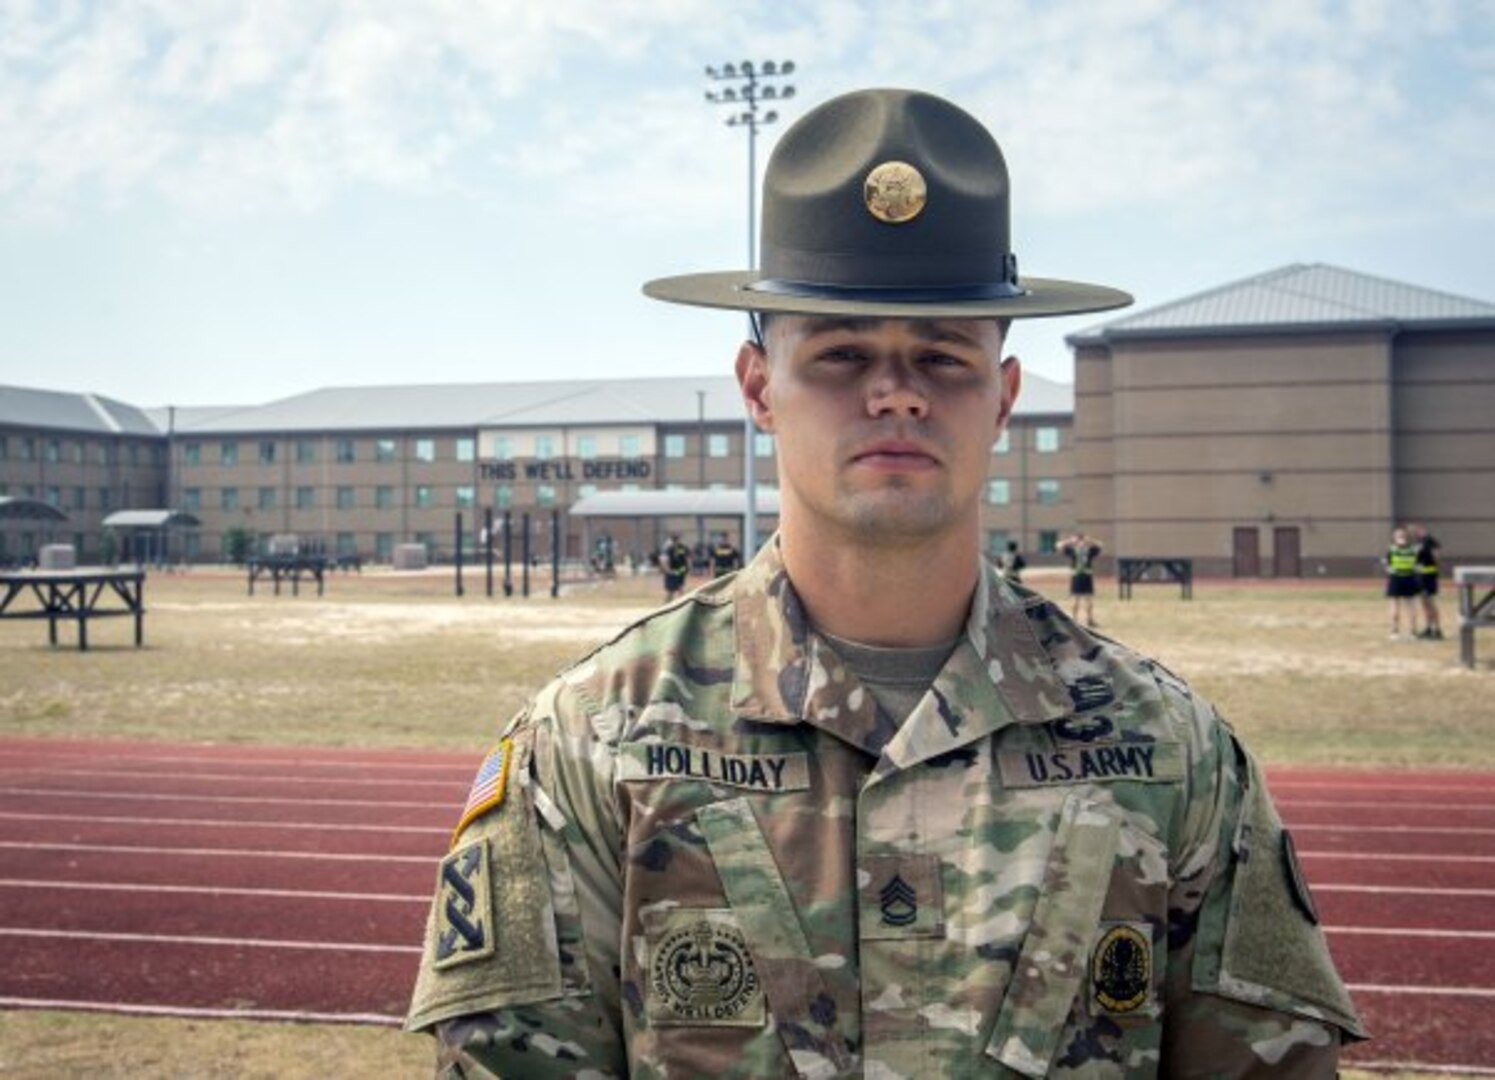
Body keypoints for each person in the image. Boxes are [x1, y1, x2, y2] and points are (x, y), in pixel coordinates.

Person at [407, 88, 1362, 1076]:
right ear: (756, 389)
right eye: (842, 353)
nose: (896, 391)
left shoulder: (1170, 752)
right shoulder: (596, 741)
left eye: (943, 357)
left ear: (1001, 398)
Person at [1059, 531, 1103, 627]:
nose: (1081, 543)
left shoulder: (1089, 551)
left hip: (1086, 576)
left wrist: (1090, 540)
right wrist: (1070, 541)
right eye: (1080, 541)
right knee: (1076, 599)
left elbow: (1100, 545)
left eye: (1082, 541)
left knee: (1088, 599)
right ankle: (1074, 620)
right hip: (1077, 576)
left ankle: (1089, 620)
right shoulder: (1074, 551)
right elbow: (1059, 545)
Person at [1385, 525, 1420, 639]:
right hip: (1409, 578)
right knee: (1411, 606)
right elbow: (1416, 565)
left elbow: (1388, 565)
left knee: (1395, 605)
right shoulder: (1414, 550)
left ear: (1395, 537)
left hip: (1396, 578)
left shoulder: (1392, 549)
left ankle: (1394, 631)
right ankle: (1413, 631)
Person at [1412, 523, 1444, 640]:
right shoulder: (1418, 543)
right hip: (1421, 576)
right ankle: (1428, 627)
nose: (1417, 532)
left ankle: (1437, 629)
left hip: (1429, 576)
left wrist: (1435, 568)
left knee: (1431, 602)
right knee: (1424, 603)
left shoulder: (1429, 541)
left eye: (1419, 529)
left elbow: (1437, 556)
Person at [658, 532, 690, 601]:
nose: (677, 541)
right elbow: (664, 560)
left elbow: (687, 558)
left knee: (680, 588)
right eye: (676, 539)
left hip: (680, 572)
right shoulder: (668, 548)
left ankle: (681, 605)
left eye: (678, 539)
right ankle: (666, 607)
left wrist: (687, 568)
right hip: (671, 572)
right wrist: (668, 571)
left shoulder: (683, 548)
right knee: (670, 592)